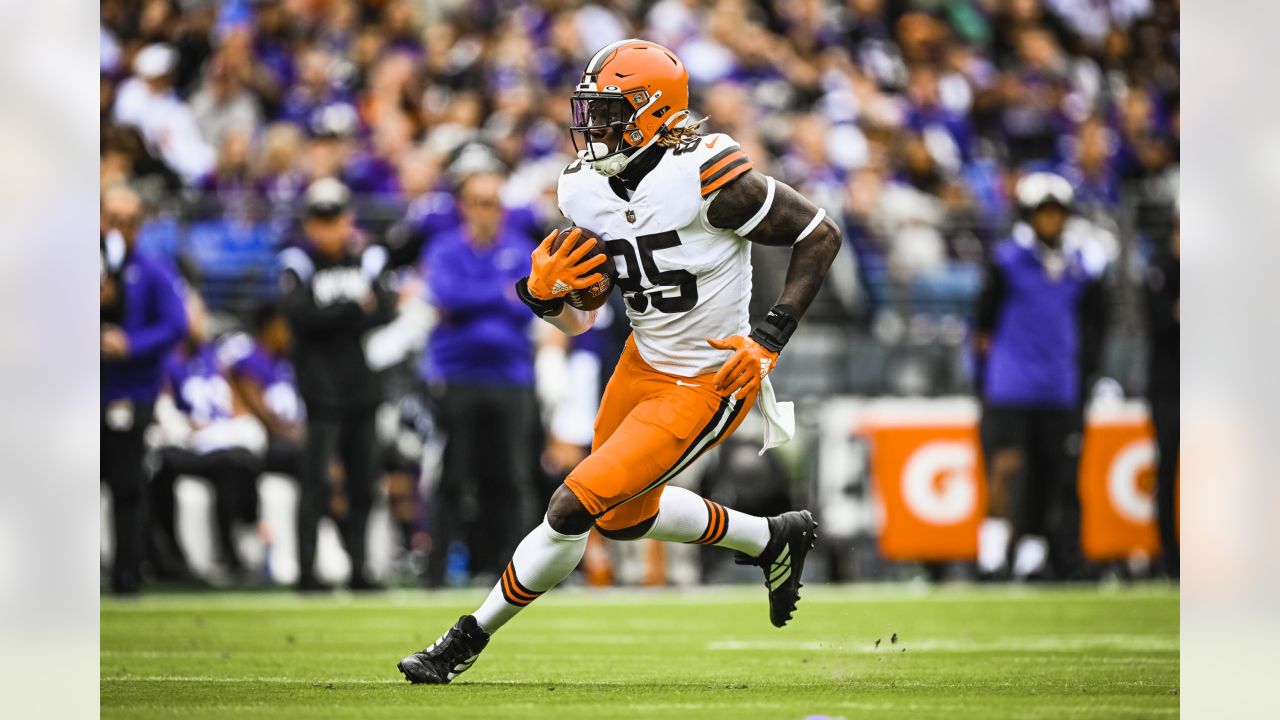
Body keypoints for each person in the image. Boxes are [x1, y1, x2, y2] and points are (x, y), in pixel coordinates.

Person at [398, 39, 842, 684]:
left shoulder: (707, 175)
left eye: (609, 111)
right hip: (640, 361)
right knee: (626, 518)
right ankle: (772, 538)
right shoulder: (583, 188)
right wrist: (544, 297)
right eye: (590, 111)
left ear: (656, 112)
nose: (593, 127)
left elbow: (819, 233)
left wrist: (770, 338)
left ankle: (467, 637)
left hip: (708, 376)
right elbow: (584, 318)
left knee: (571, 507)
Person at [974, 171, 1108, 581]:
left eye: (1057, 213)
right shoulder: (1006, 262)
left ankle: (1031, 556)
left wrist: (1084, 375)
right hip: (1010, 383)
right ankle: (992, 556)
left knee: (1050, 474)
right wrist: (983, 380)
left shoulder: (1081, 266)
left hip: (1058, 386)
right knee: (1007, 466)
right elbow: (982, 328)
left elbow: (1093, 325)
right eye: (1043, 213)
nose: (1051, 221)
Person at [419, 170, 540, 586]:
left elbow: (530, 302)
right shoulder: (444, 248)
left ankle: (515, 575)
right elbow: (445, 295)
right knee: (453, 476)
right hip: (457, 375)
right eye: (477, 201)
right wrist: (501, 293)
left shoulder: (521, 248)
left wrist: (481, 299)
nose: (486, 211)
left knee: (511, 477)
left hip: (512, 376)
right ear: (463, 205)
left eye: (492, 202)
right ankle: (436, 572)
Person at [279, 178, 397, 591]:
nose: (328, 228)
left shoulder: (367, 257)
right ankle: (307, 572)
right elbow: (299, 317)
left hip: (364, 388)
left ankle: (361, 568)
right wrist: (352, 307)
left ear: (348, 219)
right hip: (320, 390)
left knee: (364, 483)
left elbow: (384, 309)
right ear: (310, 223)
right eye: (320, 220)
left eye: (335, 218)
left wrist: (333, 312)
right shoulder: (298, 261)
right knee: (316, 483)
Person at [101, 185, 188, 594]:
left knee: (127, 485)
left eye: (128, 221)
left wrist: (130, 343)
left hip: (131, 390)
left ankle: (127, 572)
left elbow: (176, 324)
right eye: (112, 218)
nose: (119, 228)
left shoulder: (153, 269)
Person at [149, 290, 265, 581]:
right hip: (183, 442)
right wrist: (193, 427)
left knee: (237, 461)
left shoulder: (212, 358)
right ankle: (179, 554)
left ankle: (230, 547)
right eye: (196, 314)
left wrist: (233, 425)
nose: (202, 322)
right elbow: (162, 412)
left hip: (216, 442)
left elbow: (235, 406)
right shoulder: (164, 360)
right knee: (231, 460)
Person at [1145, 216, 1179, 579]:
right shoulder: (1160, 268)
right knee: (1167, 470)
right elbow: (1163, 322)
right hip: (1168, 387)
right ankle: (1169, 556)